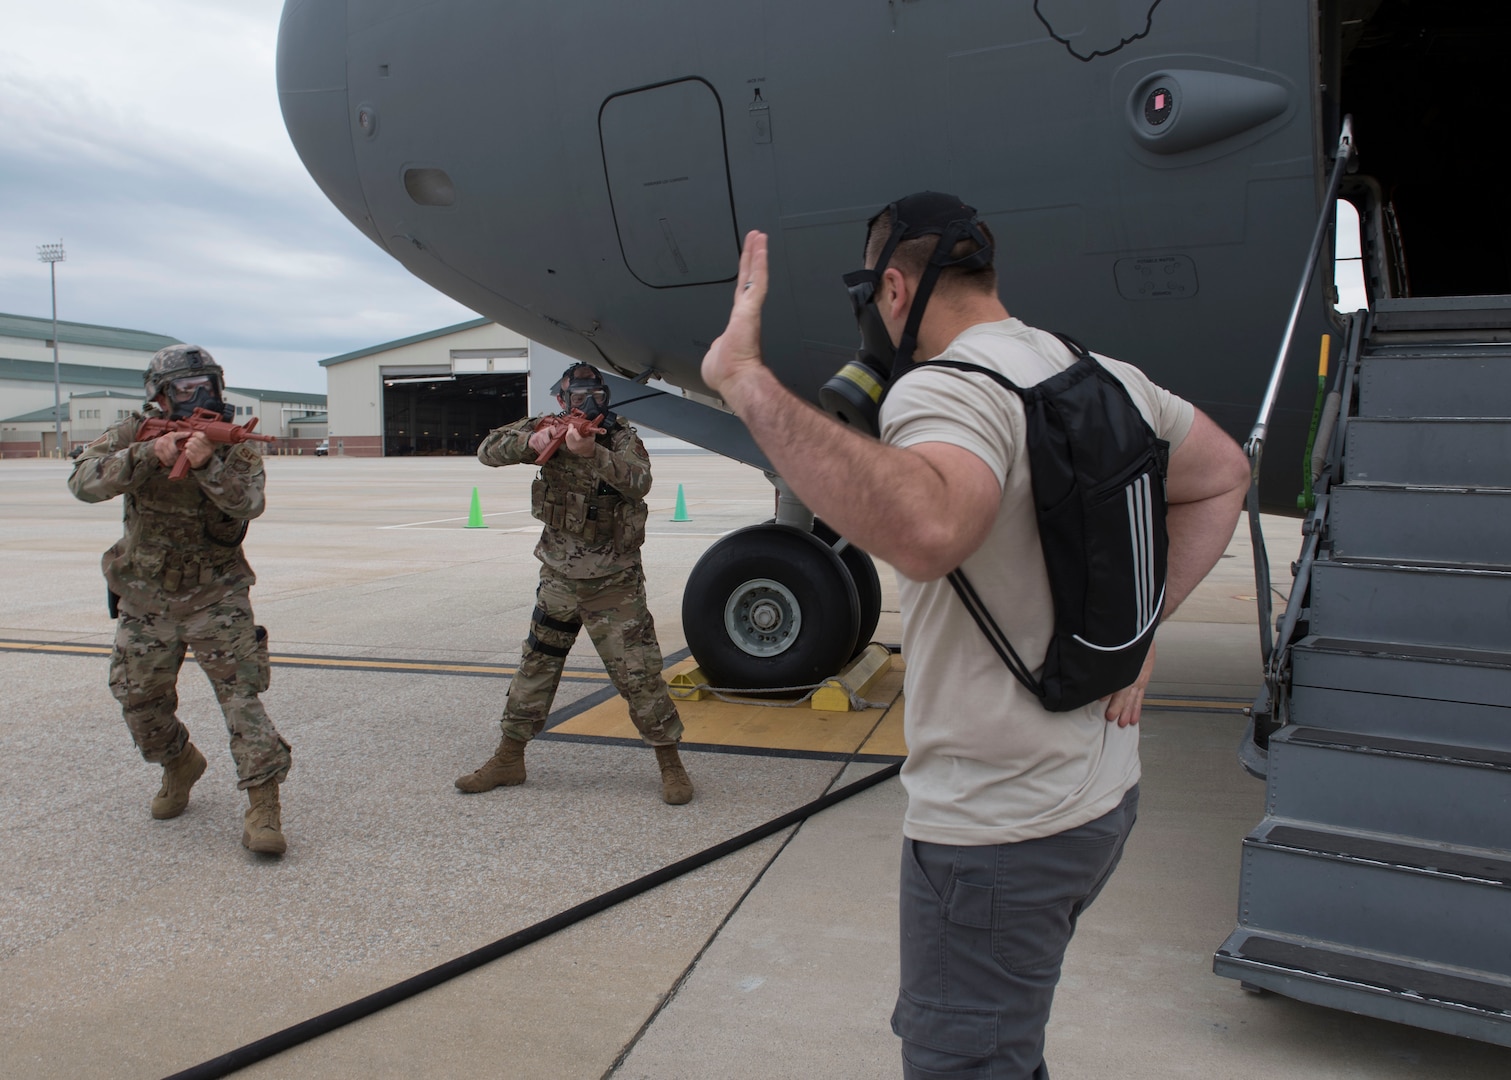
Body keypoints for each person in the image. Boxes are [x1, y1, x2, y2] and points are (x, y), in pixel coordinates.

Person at [699, 193, 1250, 1077]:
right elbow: (1223, 475)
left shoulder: (949, 391)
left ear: (891, 289)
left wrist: (746, 381)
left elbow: (928, 529)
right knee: (1004, 1049)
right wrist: (1139, 631)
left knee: (966, 1063)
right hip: (1097, 798)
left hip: (997, 837)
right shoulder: (1099, 373)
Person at [67, 344, 291, 855]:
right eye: (186, 389)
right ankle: (178, 763)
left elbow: (250, 503)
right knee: (137, 700)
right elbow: (82, 481)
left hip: (217, 594)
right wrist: (147, 455)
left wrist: (209, 465)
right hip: (145, 596)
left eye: (206, 386)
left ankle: (263, 807)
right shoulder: (132, 432)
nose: (198, 398)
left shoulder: (235, 447)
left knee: (242, 702)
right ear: (161, 397)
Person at [455, 362, 694, 805]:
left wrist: (592, 453)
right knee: (536, 667)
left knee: (639, 675)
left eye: (594, 396)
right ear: (562, 399)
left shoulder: (620, 437)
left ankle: (670, 763)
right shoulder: (547, 426)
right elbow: (488, 449)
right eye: (577, 396)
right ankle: (509, 758)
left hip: (613, 584)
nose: (586, 404)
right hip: (559, 580)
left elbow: (639, 482)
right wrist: (534, 441)